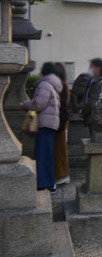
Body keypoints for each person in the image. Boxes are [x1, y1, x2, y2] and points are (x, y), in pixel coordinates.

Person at [20, 62, 62, 192]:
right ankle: (50, 182)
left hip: (44, 123)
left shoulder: (44, 84)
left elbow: (39, 104)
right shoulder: (54, 85)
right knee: (48, 154)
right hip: (51, 123)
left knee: (42, 154)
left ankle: (43, 183)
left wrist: (25, 105)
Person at [80, 58, 102, 135]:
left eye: (91, 67)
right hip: (90, 117)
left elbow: (93, 100)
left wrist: (83, 111)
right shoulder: (91, 81)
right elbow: (86, 97)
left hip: (97, 118)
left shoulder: (101, 82)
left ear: (98, 68)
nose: (89, 69)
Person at [53, 62, 71, 185]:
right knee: (61, 150)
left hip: (59, 121)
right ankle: (62, 174)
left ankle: (62, 175)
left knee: (59, 150)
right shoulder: (64, 86)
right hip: (63, 121)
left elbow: (62, 106)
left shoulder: (60, 87)